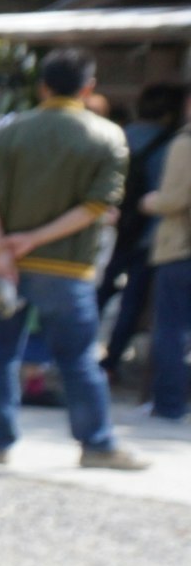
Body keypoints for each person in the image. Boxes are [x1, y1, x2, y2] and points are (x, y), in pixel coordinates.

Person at [0, 46, 146, 471]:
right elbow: (97, 206)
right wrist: (36, 238)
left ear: (43, 86)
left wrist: (2, 250)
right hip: (68, 267)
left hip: (4, 268)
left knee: (0, 354)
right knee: (78, 358)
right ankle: (96, 444)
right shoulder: (107, 136)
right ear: (89, 88)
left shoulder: (7, 133)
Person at [103, 81, 183, 377]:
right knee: (132, 303)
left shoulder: (118, 137)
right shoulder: (173, 145)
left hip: (113, 229)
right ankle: (111, 361)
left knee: (98, 294)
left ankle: (73, 356)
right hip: (151, 235)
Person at [145, 138, 191, 422]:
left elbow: (175, 199)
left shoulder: (186, 144)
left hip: (182, 249)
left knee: (172, 329)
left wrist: (150, 201)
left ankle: (170, 403)